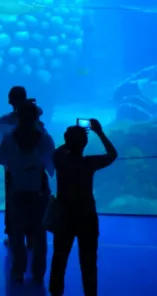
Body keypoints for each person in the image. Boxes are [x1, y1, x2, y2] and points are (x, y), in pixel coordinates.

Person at [48, 120, 118, 296]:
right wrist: (99, 132)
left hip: (64, 215)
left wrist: (71, 140)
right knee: (88, 261)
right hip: (87, 215)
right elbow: (112, 154)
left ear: (66, 140)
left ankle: (56, 292)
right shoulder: (89, 163)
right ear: (85, 143)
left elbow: (58, 150)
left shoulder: (60, 159)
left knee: (59, 258)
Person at [0, 100, 55, 283]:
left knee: (17, 231)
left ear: (18, 116)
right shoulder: (44, 138)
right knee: (40, 232)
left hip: (17, 187)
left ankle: (18, 270)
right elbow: (51, 165)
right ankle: (38, 272)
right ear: (36, 117)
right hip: (39, 189)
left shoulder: (9, 137)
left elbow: (0, 159)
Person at [0, 85, 46, 244]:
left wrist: (3, 162)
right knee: (34, 202)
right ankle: (31, 235)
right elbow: (46, 150)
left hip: (12, 170)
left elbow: (0, 146)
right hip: (35, 170)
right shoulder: (37, 123)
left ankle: (13, 233)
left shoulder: (5, 120)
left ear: (10, 100)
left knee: (13, 202)